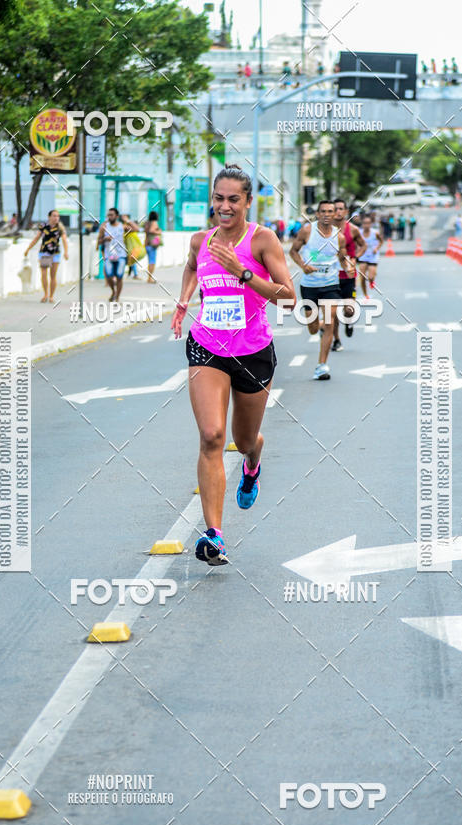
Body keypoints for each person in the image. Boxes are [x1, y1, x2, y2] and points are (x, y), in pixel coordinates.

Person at [170, 164, 295, 566]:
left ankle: (253, 463)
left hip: (253, 351)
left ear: (247, 201)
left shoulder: (262, 240)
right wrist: (184, 300)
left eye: (233, 200)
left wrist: (242, 273)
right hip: (207, 346)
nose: (224, 207)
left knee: (243, 441)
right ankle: (215, 535)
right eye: (218, 198)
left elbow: (288, 296)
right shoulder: (200, 240)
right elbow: (192, 267)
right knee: (211, 435)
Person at [290, 199, 348, 380]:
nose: (326, 215)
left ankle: (321, 366)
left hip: (330, 284)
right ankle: (320, 327)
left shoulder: (339, 237)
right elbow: (293, 251)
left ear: (334, 215)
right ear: (317, 214)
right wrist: (303, 266)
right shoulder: (308, 231)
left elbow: (342, 259)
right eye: (323, 211)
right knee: (313, 328)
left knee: (330, 321)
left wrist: (349, 267)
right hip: (310, 285)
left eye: (330, 211)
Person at [332, 198, 367, 348]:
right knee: (331, 312)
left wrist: (356, 258)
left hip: (348, 275)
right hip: (330, 276)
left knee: (349, 310)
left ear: (346, 212)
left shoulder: (352, 229)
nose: (338, 211)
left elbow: (363, 245)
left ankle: (349, 322)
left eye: (341, 208)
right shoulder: (325, 230)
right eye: (335, 209)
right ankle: (336, 340)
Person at [24, 209, 68, 304]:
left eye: (57, 216)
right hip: (44, 252)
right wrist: (28, 249)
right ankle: (45, 294)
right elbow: (37, 238)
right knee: (43, 274)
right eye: (54, 216)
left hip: (55, 253)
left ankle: (51, 296)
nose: (56, 218)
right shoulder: (43, 226)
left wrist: (66, 252)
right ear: (49, 217)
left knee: (53, 275)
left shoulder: (60, 228)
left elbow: (64, 240)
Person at [357, 214, 382, 297]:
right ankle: (365, 294)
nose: (366, 225)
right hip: (363, 256)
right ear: (362, 224)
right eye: (364, 223)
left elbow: (381, 241)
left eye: (368, 223)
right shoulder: (359, 233)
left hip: (372, 256)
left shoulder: (375, 233)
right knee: (362, 277)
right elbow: (355, 242)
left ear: (371, 224)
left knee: (370, 276)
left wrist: (377, 248)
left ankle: (371, 281)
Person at [144, 211, 162, 283]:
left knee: (150, 261)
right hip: (152, 244)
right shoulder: (154, 222)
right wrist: (159, 232)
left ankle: (149, 277)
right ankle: (149, 278)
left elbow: (147, 232)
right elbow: (152, 230)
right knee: (152, 262)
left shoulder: (147, 223)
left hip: (147, 244)